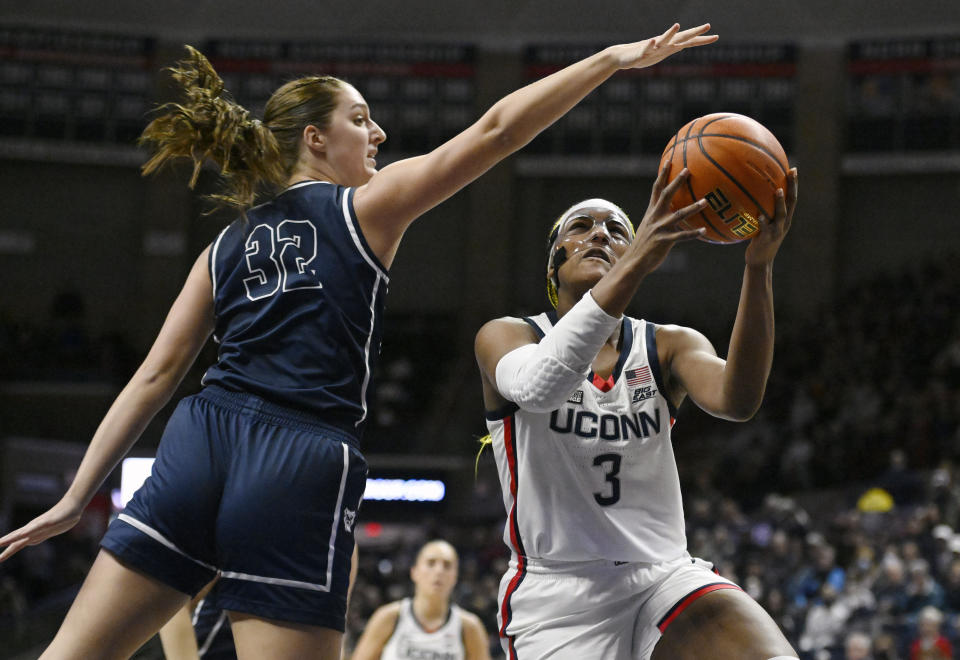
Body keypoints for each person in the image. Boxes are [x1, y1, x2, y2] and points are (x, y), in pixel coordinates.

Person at [0, 24, 718, 660]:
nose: (376, 135)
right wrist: (609, 61)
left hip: (198, 442)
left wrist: (76, 496)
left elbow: (156, 378)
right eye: (360, 119)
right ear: (316, 139)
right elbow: (498, 130)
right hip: (299, 455)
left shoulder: (223, 245)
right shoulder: (365, 209)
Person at [474, 160, 799, 659]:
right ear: (553, 264)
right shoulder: (508, 335)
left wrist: (759, 267)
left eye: (617, 230)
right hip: (559, 598)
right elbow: (540, 388)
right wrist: (636, 259)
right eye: (581, 226)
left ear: (639, 251)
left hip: (663, 576)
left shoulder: (667, 344)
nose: (600, 234)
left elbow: (738, 400)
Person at [350, 539, 491, 660]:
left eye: (447, 565)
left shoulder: (469, 627)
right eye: (431, 563)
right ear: (414, 572)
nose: (439, 571)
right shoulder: (389, 617)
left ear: (455, 576)